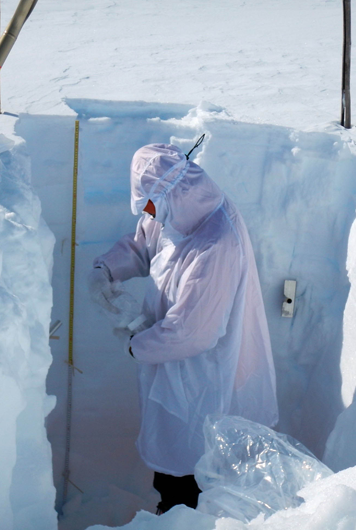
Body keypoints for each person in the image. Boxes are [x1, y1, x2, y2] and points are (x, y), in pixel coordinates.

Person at [88, 142, 278, 514]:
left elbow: (192, 333)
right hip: (176, 369)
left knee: (194, 472)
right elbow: (145, 244)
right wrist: (106, 269)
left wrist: (135, 343)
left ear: (170, 193)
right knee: (173, 462)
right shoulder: (176, 209)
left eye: (148, 203)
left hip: (206, 377)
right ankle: (170, 512)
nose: (146, 212)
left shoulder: (217, 242)